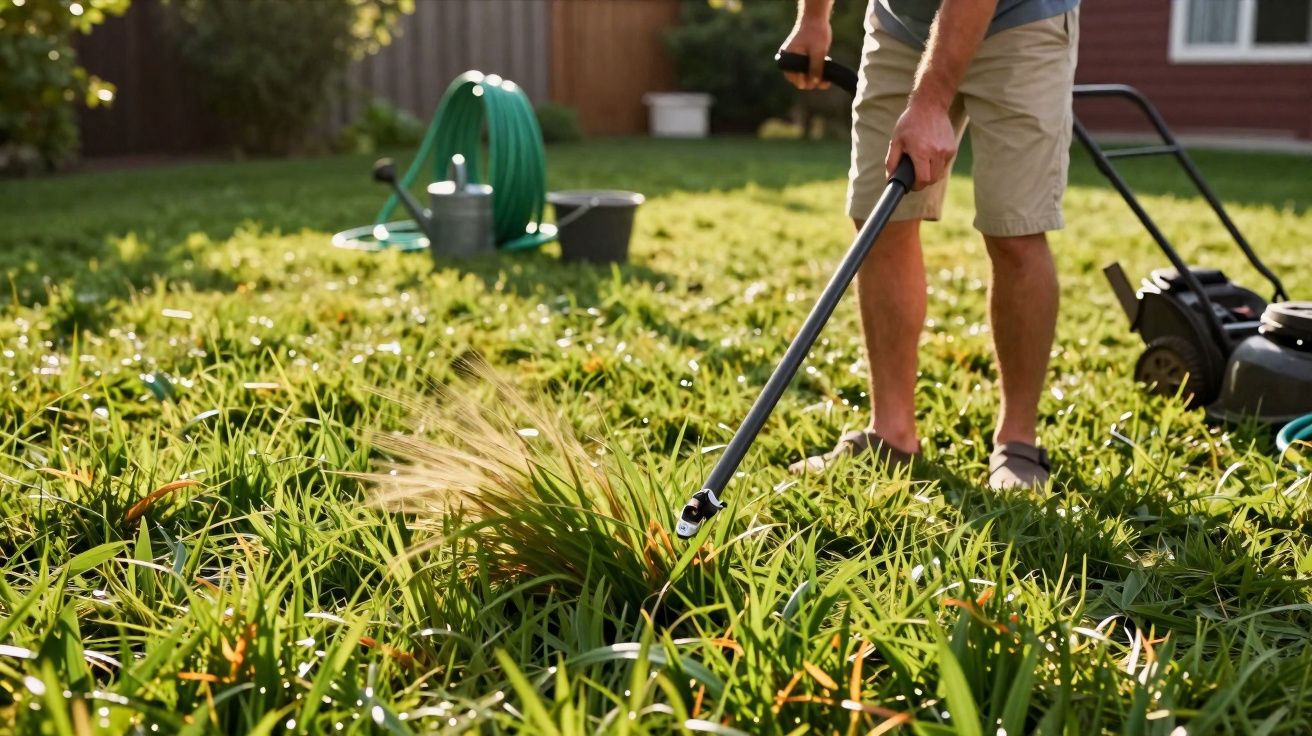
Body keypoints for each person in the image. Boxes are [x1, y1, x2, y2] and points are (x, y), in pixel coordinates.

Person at [781, 0, 1080, 489]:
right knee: (880, 220)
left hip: (1018, 20)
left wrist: (930, 103)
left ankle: (1018, 442)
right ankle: (891, 435)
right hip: (901, 22)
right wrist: (813, 18)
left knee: (1015, 229)